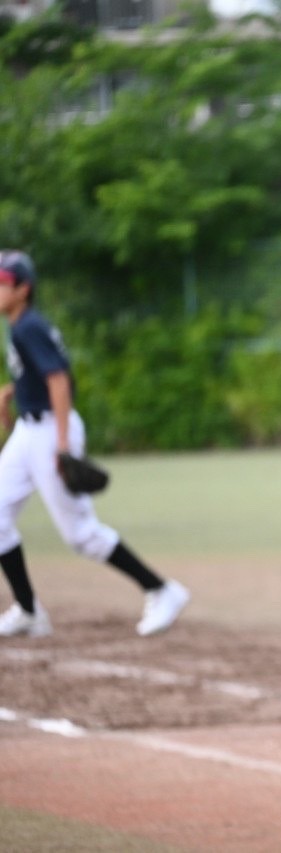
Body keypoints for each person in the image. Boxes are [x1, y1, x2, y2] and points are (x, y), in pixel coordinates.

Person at [0, 250, 190, 638]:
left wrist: (64, 445)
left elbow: (59, 381)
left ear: (23, 289)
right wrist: (11, 393)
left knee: (81, 535)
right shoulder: (21, 325)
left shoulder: (28, 327)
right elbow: (41, 376)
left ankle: (162, 589)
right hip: (29, 429)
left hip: (52, 431)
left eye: (3, 282)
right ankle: (29, 609)